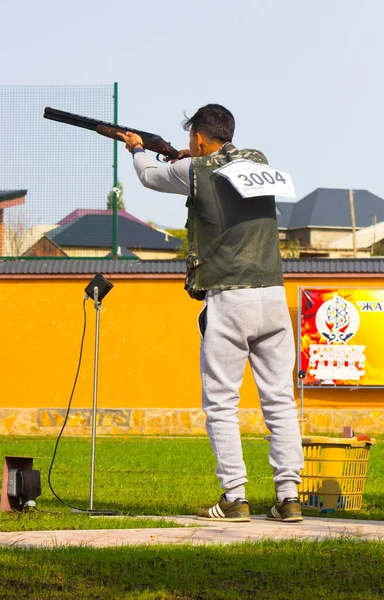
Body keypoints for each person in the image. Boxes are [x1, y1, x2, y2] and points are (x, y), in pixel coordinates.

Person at [118, 104, 304, 523]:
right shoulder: (258, 162)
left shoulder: (195, 172)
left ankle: (235, 497)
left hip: (229, 298)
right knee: (279, 401)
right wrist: (191, 160)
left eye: (191, 141)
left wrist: (136, 149)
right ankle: (289, 496)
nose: (189, 147)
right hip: (273, 293)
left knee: (221, 403)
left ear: (199, 139)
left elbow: (149, 177)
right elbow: (226, 172)